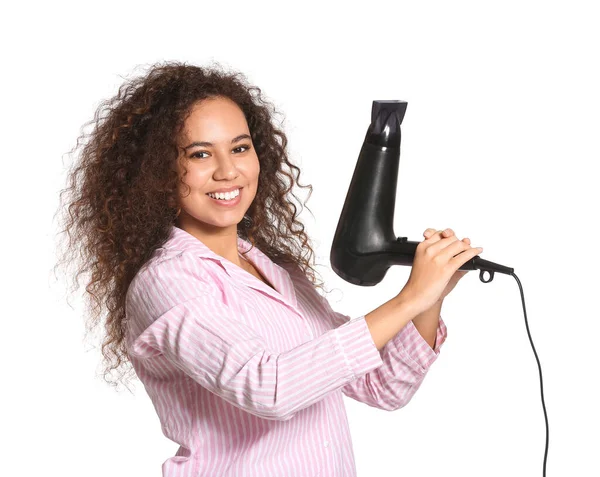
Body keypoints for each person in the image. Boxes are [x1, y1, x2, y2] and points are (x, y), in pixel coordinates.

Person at [55, 61, 483, 477]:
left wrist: (432, 295)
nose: (228, 171)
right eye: (200, 154)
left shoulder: (276, 272)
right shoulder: (167, 282)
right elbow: (269, 388)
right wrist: (409, 298)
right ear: (158, 172)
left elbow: (384, 387)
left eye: (240, 148)